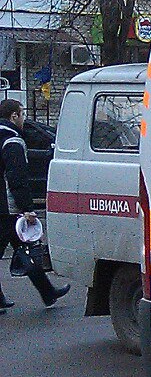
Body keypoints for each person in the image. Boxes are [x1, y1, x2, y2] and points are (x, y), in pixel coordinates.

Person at [1, 98, 71, 313]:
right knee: (25, 247)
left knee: (25, 248)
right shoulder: (12, 141)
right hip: (7, 208)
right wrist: (27, 208)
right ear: (14, 116)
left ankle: (48, 293)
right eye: (22, 114)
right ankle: (48, 293)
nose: (23, 119)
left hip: (5, 208)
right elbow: (17, 178)